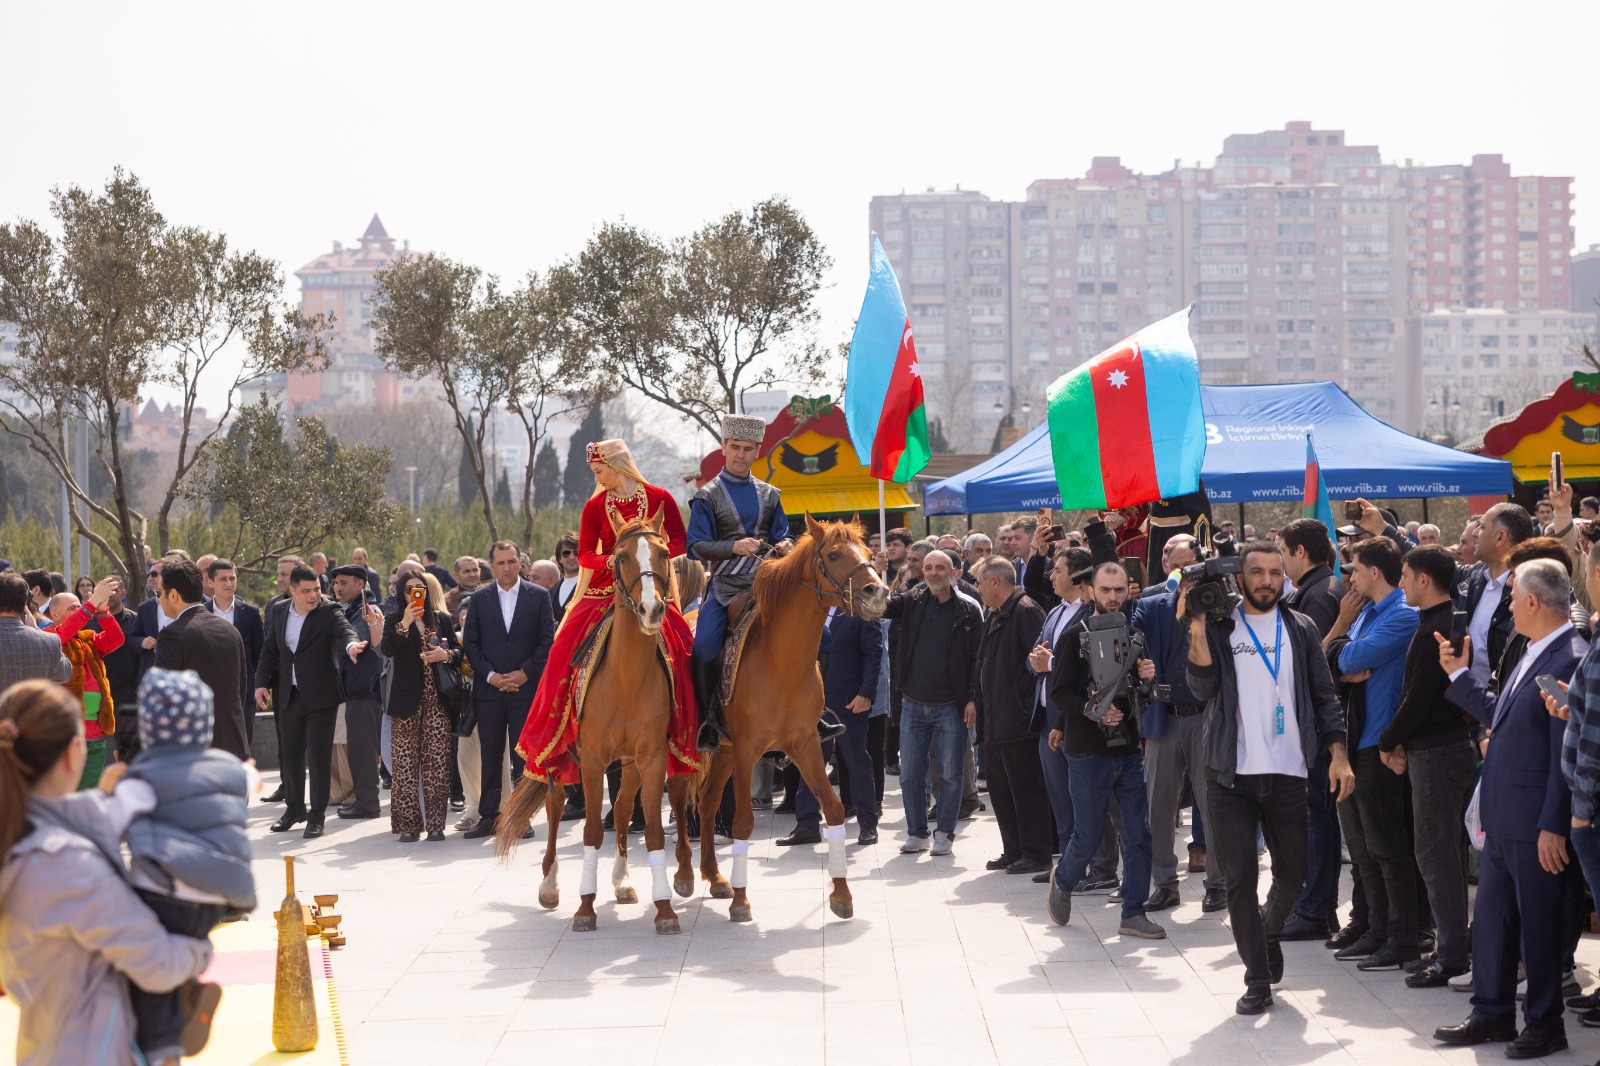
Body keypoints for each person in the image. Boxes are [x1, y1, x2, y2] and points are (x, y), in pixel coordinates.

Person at [0, 680, 216, 1066]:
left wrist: (105, 801)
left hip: (46, 1045)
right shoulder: (63, 864)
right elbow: (159, 963)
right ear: (74, 752)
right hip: (94, 1052)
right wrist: (200, 948)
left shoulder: (21, 843)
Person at [1185, 540, 1355, 1015]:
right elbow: (1200, 689)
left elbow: (1324, 696)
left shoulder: (1300, 628)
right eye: (1256, 572)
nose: (1265, 580)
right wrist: (1196, 625)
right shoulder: (1219, 626)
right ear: (1239, 577)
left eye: (1274, 573)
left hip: (1287, 772)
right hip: (1230, 774)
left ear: (1285, 577)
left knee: (1293, 877)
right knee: (1239, 880)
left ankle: (1266, 931)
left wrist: (1338, 754)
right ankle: (1257, 978)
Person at [1434, 559, 1588, 1055]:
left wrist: (1552, 825)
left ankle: (1544, 1024)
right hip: (1504, 814)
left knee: (1538, 927)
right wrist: (1459, 676)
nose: (1506, 605)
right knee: (1494, 921)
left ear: (1532, 602)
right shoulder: (1531, 648)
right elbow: (1504, 712)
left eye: (1512, 596)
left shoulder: (1571, 656)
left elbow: (1568, 751)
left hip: (1534, 820)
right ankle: (1491, 1013)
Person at [103, 668, 255, 1066]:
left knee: (144, 978)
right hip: (217, 900)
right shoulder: (230, 768)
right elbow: (250, 778)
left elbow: (108, 828)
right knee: (173, 950)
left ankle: (163, 1048)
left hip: (163, 893)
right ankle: (188, 991)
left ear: (151, 727)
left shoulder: (143, 778)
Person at [1044, 561, 1166, 941]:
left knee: (1138, 832)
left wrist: (1147, 681)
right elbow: (1060, 692)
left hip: (1127, 748)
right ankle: (1063, 879)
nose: (1114, 596)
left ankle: (1132, 911)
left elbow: (1142, 697)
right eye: (1106, 590)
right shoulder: (1072, 637)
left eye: (1120, 589)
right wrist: (1093, 710)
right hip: (1087, 751)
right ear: (1091, 591)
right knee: (1090, 832)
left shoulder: (1134, 635)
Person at [1380, 544, 1477, 988]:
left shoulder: (1440, 627)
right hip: (1440, 749)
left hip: (1437, 753)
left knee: (1436, 856)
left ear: (1423, 580)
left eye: (1404, 575)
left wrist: (1388, 740)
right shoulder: (1439, 622)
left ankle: (1452, 957)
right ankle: (1454, 946)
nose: (1400, 583)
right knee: (1445, 855)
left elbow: (1419, 698)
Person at [1323, 537, 1422, 972]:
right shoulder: (1365, 613)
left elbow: (1351, 658)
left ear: (1375, 573)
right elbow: (1337, 662)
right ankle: (1376, 928)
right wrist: (1340, 658)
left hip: (1377, 747)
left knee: (1387, 849)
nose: (1350, 578)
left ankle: (1402, 937)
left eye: (1355, 570)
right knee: (1364, 851)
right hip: (1354, 742)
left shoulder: (1401, 616)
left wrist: (1339, 658)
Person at [688, 413, 800, 751]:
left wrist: (787, 545)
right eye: (734, 447)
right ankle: (708, 720)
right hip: (724, 588)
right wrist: (734, 546)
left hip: (769, 587)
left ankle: (813, 710)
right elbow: (695, 546)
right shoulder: (707, 496)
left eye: (747, 449)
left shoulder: (771, 494)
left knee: (821, 637)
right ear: (723, 448)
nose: (740, 454)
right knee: (705, 645)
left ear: (757, 452)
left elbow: (783, 533)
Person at [1132, 552, 1228, 914]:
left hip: (1207, 719)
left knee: (1214, 805)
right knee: (1158, 807)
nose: (1189, 576)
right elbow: (1132, 638)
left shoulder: (1220, 608)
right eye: (1182, 567)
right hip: (1164, 719)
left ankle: (1218, 885)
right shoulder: (1152, 606)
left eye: (1195, 568)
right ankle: (1165, 884)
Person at [881, 548, 982, 857]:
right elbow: (878, 606)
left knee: (951, 776)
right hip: (912, 703)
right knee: (911, 774)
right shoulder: (911, 601)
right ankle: (917, 833)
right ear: (921, 572)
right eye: (928, 568)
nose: (934, 572)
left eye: (941, 567)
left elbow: (979, 659)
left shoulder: (969, 608)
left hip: (952, 706)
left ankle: (945, 833)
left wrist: (972, 699)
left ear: (953, 572)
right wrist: (880, 571)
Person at [254, 564, 364, 839]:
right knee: (290, 756)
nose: (314, 595)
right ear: (292, 591)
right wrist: (260, 683)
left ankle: (316, 817)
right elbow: (269, 648)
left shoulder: (329, 610)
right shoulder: (279, 610)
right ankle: (294, 811)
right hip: (288, 694)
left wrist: (351, 646)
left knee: (318, 758)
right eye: (306, 591)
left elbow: (345, 631)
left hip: (321, 696)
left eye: (316, 589)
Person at [461, 539, 556, 839]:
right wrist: (490, 676)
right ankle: (488, 816)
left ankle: (520, 817)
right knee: (489, 755)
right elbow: (471, 643)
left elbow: (546, 641)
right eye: (500, 563)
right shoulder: (479, 598)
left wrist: (525, 673)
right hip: (489, 690)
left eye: (511, 561)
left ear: (520, 562)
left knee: (523, 757)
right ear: (492, 566)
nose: (507, 567)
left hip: (524, 691)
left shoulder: (539, 596)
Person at [778, 602, 883, 847]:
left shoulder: (859, 610)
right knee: (809, 761)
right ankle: (807, 824)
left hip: (847, 701)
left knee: (857, 759)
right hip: (809, 702)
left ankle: (868, 823)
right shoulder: (807, 609)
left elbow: (873, 653)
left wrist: (866, 693)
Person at [971, 555, 1051, 874]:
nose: (977, 589)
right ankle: (1014, 848)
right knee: (1002, 790)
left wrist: (1023, 706)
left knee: (1026, 788)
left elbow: (1037, 664)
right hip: (995, 718)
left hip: (1019, 721)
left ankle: (1036, 852)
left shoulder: (1026, 610)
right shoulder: (995, 613)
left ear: (994, 582)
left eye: (979, 582)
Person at [382, 570, 462, 842]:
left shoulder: (440, 618)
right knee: (404, 765)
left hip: (438, 701)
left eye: (420, 588)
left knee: (437, 765)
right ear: (400, 593)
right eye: (409, 589)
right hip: (405, 702)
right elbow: (388, 649)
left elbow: (458, 651)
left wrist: (446, 654)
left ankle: (437, 825)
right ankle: (408, 825)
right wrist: (405, 622)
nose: (415, 593)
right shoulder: (394, 618)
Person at [153, 560, 252, 763]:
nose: (159, 600)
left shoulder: (172, 635)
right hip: (234, 745)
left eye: (159, 593)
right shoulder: (230, 630)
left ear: (173, 595)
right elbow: (240, 691)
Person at [43, 581, 126, 788]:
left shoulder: (87, 639)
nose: (81, 611)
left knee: (88, 792)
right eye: (74, 608)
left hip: (96, 734)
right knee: (65, 792)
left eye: (80, 607)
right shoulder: (48, 637)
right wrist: (90, 606)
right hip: (66, 735)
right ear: (54, 615)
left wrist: (103, 612)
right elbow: (63, 634)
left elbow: (117, 639)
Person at [330, 564, 385, 820]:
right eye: (336, 583)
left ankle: (367, 803)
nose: (338, 588)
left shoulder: (367, 612)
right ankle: (365, 800)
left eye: (344, 583)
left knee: (363, 752)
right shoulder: (351, 610)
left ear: (360, 584)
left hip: (364, 691)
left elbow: (357, 644)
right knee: (360, 751)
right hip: (357, 690)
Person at [553, 532, 581, 622]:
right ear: (559, 559)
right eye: (566, 553)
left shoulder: (590, 587)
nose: (571, 557)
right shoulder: (552, 591)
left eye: (576, 552)